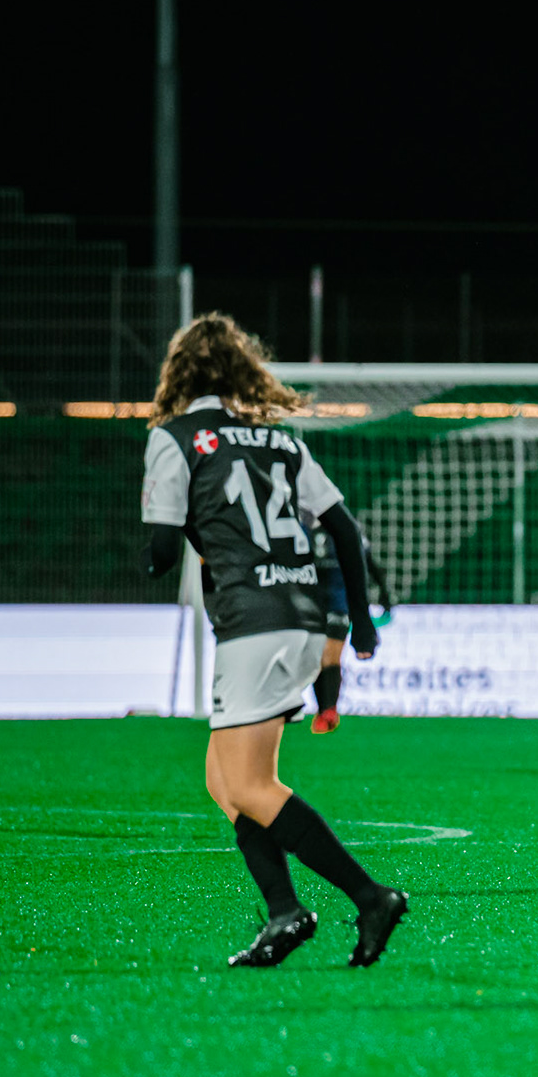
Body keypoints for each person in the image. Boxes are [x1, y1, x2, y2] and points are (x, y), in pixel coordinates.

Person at [140, 313, 408, 968]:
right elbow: (345, 530)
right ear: (241, 372)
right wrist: (364, 623)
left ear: (179, 374)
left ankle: (370, 896)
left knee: (252, 785)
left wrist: (191, 543)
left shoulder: (175, 439)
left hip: (252, 622)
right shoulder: (278, 441)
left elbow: (156, 550)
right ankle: (285, 913)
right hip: (301, 613)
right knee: (224, 781)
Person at [308, 513, 393, 734]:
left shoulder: (344, 528)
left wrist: (384, 592)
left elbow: (368, 562)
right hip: (312, 601)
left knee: (331, 653)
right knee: (317, 657)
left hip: (339, 600)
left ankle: (330, 710)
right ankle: (322, 709)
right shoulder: (300, 527)